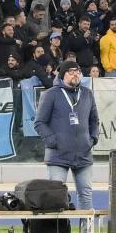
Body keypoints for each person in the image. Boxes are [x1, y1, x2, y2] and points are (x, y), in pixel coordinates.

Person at [33, 60, 99, 209]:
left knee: (86, 194)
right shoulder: (51, 94)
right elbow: (39, 122)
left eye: (78, 71)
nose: (75, 74)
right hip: (58, 154)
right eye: (71, 71)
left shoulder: (87, 93)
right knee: (55, 195)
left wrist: (93, 139)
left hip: (83, 153)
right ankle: (57, 232)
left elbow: (94, 120)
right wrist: (53, 141)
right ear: (63, 75)